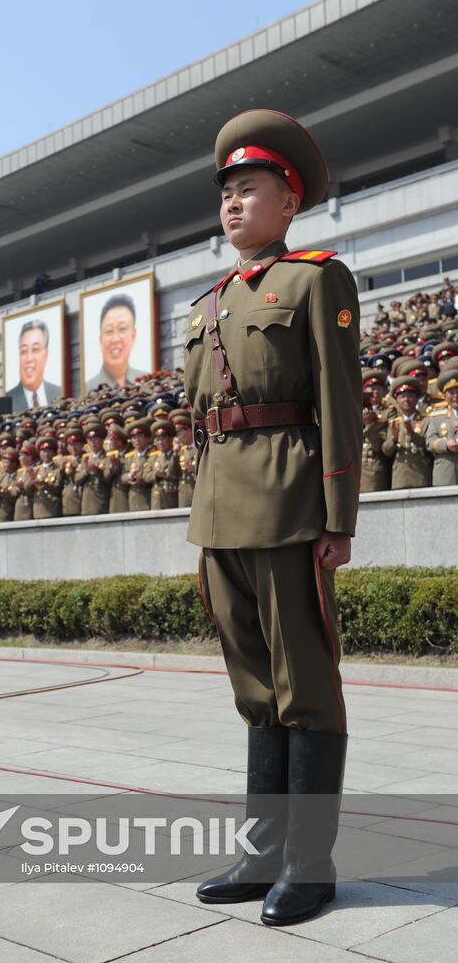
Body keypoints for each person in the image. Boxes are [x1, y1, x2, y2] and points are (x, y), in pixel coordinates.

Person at [185, 110, 361, 926]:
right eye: (225, 194)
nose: (231, 206)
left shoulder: (314, 279)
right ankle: (261, 855)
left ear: (287, 203)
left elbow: (336, 402)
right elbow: (200, 419)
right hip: (221, 511)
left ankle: (309, 864)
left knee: (305, 693)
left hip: (291, 504)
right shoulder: (209, 300)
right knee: (254, 692)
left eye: (247, 191)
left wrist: (336, 516)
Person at [85, 294, 147, 391]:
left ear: (133, 336)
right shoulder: (88, 388)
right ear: (100, 340)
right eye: (109, 331)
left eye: (122, 329)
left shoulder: (146, 381)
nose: (115, 339)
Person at [381, 377, 433, 488]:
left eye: (410, 396)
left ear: (417, 399)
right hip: (400, 476)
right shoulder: (394, 423)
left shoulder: (426, 420)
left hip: (421, 474)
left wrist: (412, 434)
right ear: (396, 401)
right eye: (402, 397)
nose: (406, 400)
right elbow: (386, 451)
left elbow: (428, 445)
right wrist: (394, 438)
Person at [6, 320, 61, 411]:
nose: (29, 359)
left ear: (46, 355)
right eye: (24, 351)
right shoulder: (8, 400)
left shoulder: (59, 393)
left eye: (35, 350)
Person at [422, 368, 458, 485]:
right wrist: (446, 445)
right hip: (447, 471)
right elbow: (430, 441)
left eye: (457, 392)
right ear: (444, 396)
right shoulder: (437, 417)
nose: (455, 396)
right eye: (451, 393)